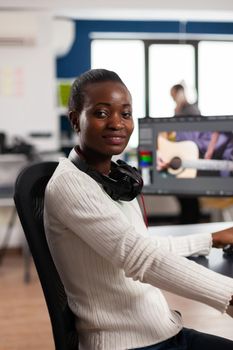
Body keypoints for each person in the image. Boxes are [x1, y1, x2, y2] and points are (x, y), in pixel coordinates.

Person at [44, 69, 233, 350]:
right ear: (75, 119)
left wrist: (211, 239)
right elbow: (139, 257)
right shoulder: (70, 185)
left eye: (126, 113)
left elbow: (143, 247)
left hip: (163, 332)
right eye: (102, 113)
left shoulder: (115, 178)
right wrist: (229, 295)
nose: (117, 124)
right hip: (129, 344)